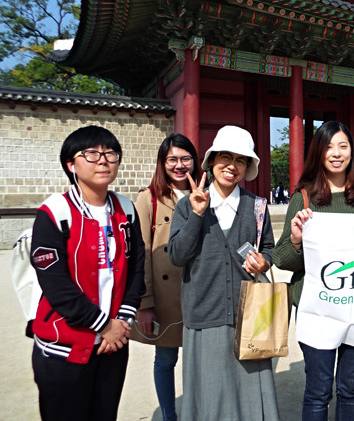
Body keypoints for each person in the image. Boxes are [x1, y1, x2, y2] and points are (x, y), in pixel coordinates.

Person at [30, 125, 145, 421]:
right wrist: (103, 325)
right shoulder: (54, 212)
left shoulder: (126, 209)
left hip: (113, 345)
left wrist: (122, 320)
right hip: (64, 346)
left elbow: (136, 269)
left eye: (110, 153)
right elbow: (56, 285)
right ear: (71, 164)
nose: (103, 160)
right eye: (91, 153)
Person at [273, 121, 354, 420]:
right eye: (328, 147)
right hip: (318, 311)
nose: (336, 153)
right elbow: (283, 260)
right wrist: (297, 239)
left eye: (343, 146)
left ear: (353, 151)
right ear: (318, 153)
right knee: (318, 391)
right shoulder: (304, 197)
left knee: (351, 390)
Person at [168, 125, 279, 420]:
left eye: (240, 160)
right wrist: (197, 215)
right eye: (225, 157)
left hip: (251, 315)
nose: (232, 166)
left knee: (250, 395)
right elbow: (177, 255)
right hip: (206, 310)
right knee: (209, 396)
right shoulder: (188, 204)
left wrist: (264, 262)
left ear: (247, 167)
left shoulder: (256, 207)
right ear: (212, 161)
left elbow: (269, 248)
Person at [132, 134, 201, 421]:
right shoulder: (148, 198)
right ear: (162, 163)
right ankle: (170, 416)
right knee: (165, 359)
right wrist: (144, 304)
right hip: (165, 295)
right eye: (172, 159)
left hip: (201, 291)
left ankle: (200, 411)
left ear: (195, 161)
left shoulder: (208, 193)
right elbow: (141, 253)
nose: (179, 165)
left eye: (185, 158)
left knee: (200, 361)